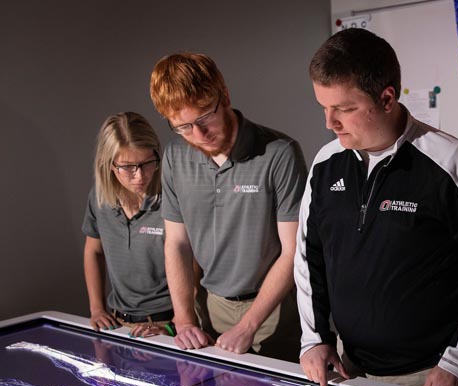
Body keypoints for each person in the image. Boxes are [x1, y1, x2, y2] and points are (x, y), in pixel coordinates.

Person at [295, 28, 458, 386]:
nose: (329, 123)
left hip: (429, 376)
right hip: (346, 368)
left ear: (387, 98)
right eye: (324, 107)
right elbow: (308, 259)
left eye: (344, 109)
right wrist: (314, 339)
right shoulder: (325, 164)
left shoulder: (452, 162)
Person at [149, 53, 306, 359]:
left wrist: (249, 325)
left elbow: (293, 251)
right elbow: (177, 244)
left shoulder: (279, 153)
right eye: (183, 127)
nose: (199, 135)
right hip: (211, 306)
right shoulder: (174, 157)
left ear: (224, 95)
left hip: (273, 309)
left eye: (205, 117)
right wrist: (183, 319)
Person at [82, 112, 173, 338]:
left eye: (147, 163)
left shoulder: (171, 199)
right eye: (128, 167)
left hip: (165, 324)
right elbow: (93, 251)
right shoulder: (99, 198)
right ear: (109, 165)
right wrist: (96, 308)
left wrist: (175, 324)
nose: (140, 176)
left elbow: (191, 264)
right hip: (118, 323)